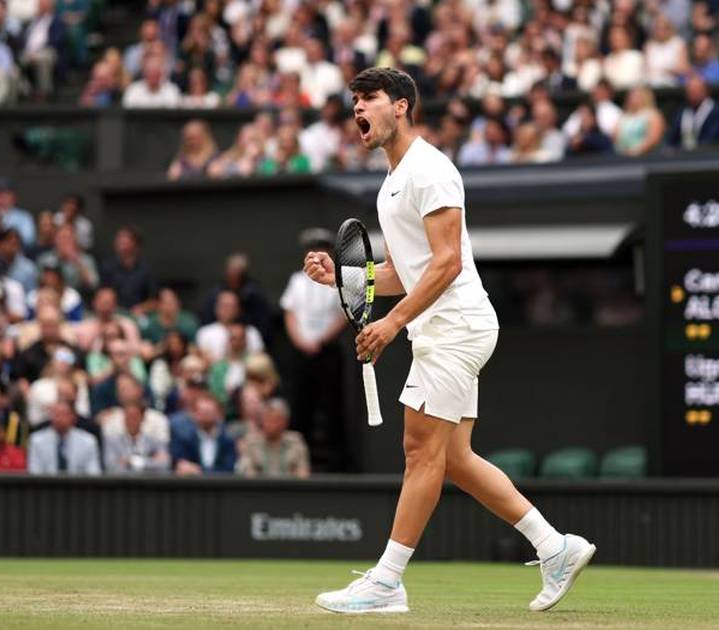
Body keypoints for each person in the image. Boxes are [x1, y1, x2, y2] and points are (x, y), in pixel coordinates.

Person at [307, 67, 594, 615]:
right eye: (354, 102)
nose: (358, 110)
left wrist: (391, 324)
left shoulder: (430, 169)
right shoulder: (392, 181)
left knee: (419, 451)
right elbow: (404, 272)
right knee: (454, 458)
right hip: (446, 326)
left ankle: (387, 582)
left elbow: (446, 262)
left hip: (454, 327)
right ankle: (556, 549)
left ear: (401, 106)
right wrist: (342, 279)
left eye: (369, 99)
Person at [281, 228, 347, 467]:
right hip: (301, 351)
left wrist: (320, 341)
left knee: (333, 405)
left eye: (323, 248)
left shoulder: (337, 279)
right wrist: (302, 342)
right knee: (300, 404)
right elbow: (290, 313)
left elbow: (343, 315)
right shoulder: (296, 281)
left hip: (327, 351)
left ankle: (337, 463)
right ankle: (298, 462)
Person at [235, 398, 311, 478]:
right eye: (267, 419)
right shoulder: (251, 443)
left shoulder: (296, 442)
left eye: (275, 420)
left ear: (285, 422)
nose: (270, 424)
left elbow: (303, 474)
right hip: (260, 489)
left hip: (289, 489)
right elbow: (246, 475)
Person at [27, 397, 102, 475]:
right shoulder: (37, 441)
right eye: (55, 414)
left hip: (78, 485)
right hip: (46, 486)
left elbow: (93, 473)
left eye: (63, 414)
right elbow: (34, 473)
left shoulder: (88, 441)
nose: (58, 419)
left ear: (73, 417)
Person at [170, 392, 236, 474]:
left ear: (219, 414)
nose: (206, 417)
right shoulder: (185, 440)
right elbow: (181, 467)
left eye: (209, 412)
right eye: (203, 412)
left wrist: (200, 471)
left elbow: (229, 470)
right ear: (194, 414)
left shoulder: (228, 441)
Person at [102, 398, 171, 473]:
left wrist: (134, 462)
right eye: (127, 417)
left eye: (134, 417)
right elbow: (110, 465)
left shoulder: (154, 441)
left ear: (142, 418)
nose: (130, 421)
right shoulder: (112, 441)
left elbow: (164, 464)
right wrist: (151, 461)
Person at [101, 226, 157, 315]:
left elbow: (154, 300)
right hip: (113, 314)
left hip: (138, 315)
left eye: (125, 239)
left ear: (136, 244)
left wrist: (142, 308)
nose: (120, 242)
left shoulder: (146, 270)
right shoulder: (108, 267)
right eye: (119, 239)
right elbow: (102, 294)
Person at [665, 74, 719, 151]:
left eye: (697, 90)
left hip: (707, 154)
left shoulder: (716, 111)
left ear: (706, 91)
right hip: (681, 154)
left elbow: (713, 138)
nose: (693, 94)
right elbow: (672, 137)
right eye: (690, 91)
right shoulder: (682, 111)